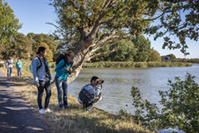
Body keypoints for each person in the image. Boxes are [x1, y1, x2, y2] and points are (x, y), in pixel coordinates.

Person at [32, 47, 52, 114]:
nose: (46, 52)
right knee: (40, 94)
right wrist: (36, 81)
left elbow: (47, 69)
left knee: (49, 93)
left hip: (46, 78)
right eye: (45, 51)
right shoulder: (36, 60)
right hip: (40, 79)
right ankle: (40, 108)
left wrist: (50, 78)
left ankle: (46, 107)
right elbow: (34, 72)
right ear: (41, 52)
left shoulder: (45, 59)